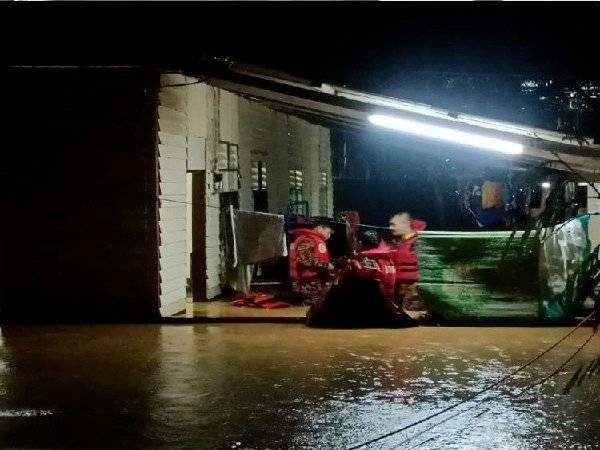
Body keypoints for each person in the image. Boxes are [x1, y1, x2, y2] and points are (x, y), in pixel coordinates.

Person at [306, 230, 411, 328]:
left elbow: (354, 283)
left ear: (360, 243)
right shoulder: (388, 260)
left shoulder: (361, 261)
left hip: (368, 306)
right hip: (388, 305)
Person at [387, 212, 427, 316]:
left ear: (406, 223)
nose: (390, 228)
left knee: (412, 316)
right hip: (398, 285)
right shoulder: (399, 243)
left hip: (412, 286)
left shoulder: (419, 241)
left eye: (393, 224)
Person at [289, 222, 335, 305]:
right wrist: (326, 265)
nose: (329, 236)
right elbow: (304, 258)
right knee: (310, 307)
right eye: (328, 233)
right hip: (307, 283)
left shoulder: (314, 239)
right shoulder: (307, 239)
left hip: (314, 282)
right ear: (319, 228)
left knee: (316, 306)